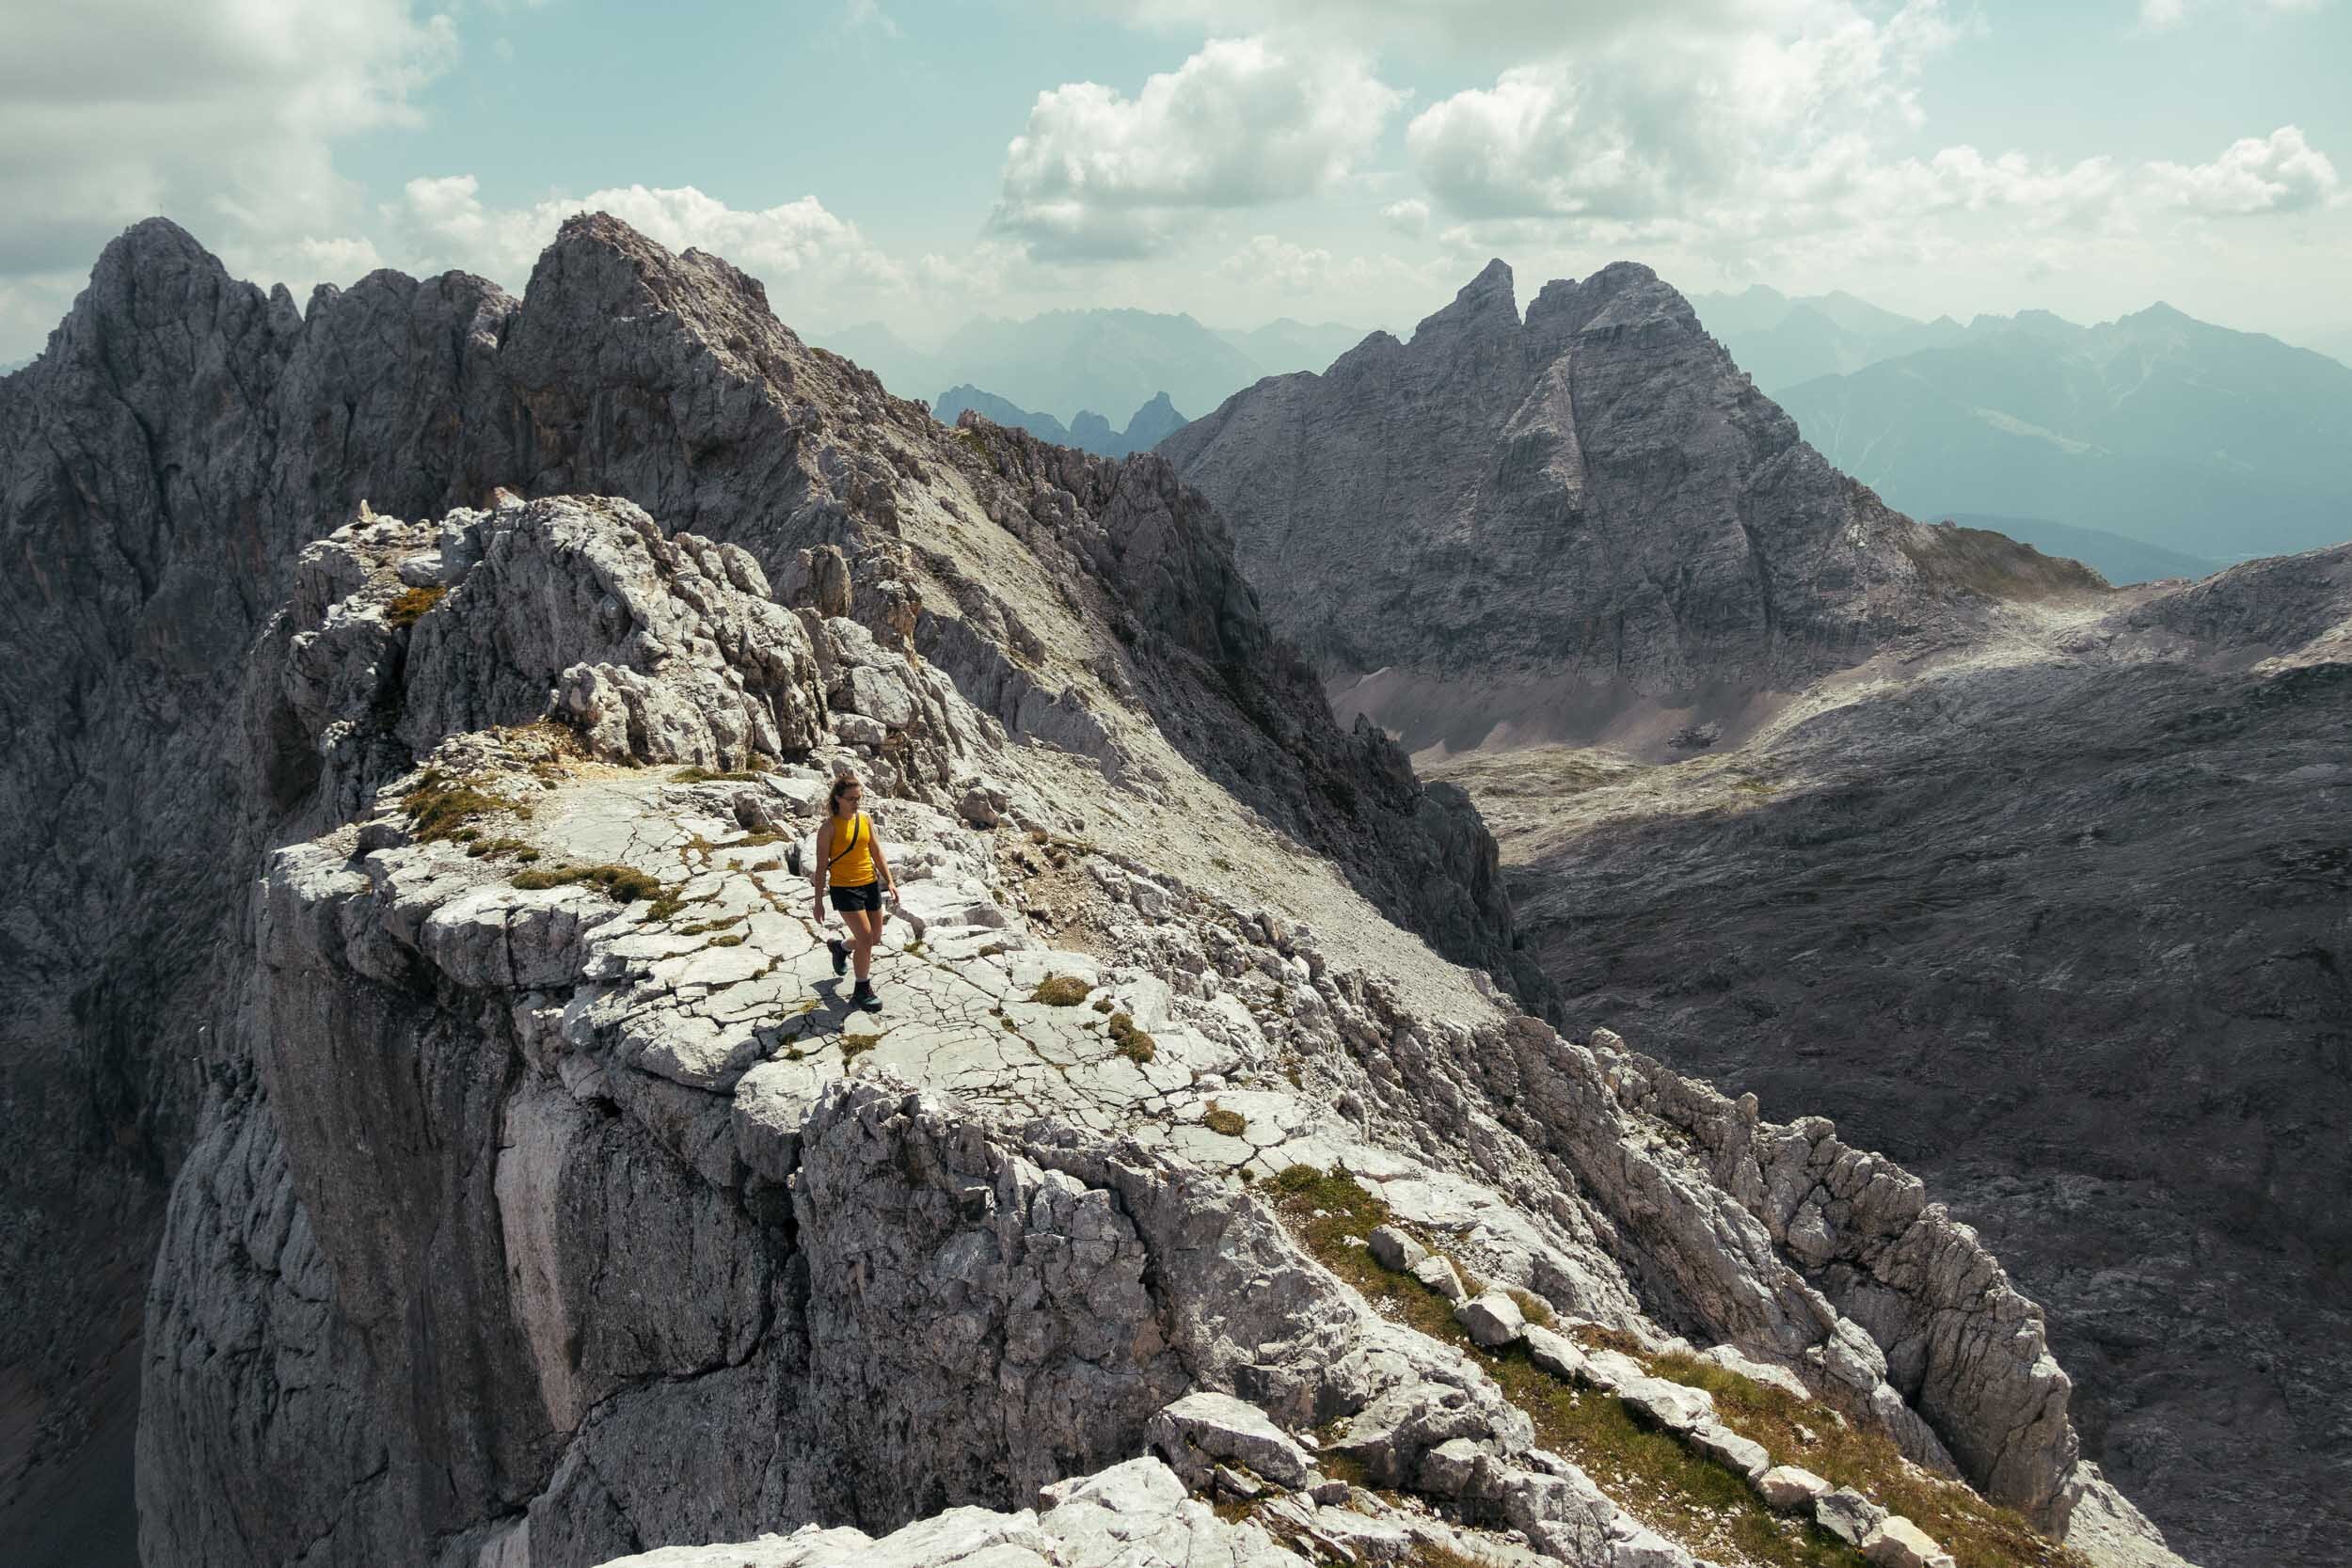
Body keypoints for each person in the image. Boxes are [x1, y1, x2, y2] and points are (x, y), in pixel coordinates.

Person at [812, 772, 896, 1013]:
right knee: (866, 937)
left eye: (859, 798)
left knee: (874, 937)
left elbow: (876, 851)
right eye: (851, 799)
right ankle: (862, 989)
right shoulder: (828, 829)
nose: (856, 803)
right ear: (838, 799)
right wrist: (818, 902)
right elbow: (820, 868)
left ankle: (841, 948)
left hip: (869, 883)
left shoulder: (865, 819)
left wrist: (889, 881)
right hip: (844, 888)